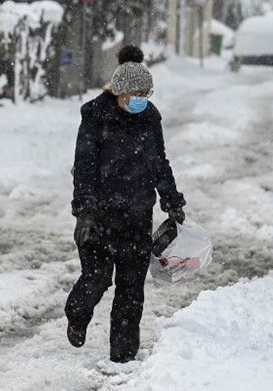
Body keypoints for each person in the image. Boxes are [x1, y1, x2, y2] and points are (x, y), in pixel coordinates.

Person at [64, 44, 187, 364]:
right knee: (98, 277)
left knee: (132, 289)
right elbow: (85, 167)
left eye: (146, 93)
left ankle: (123, 358)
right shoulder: (95, 117)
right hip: (101, 216)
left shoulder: (149, 118)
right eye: (136, 93)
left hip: (137, 214)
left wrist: (172, 201)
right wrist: (85, 213)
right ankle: (77, 316)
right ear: (118, 91)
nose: (141, 99)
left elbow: (159, 162)